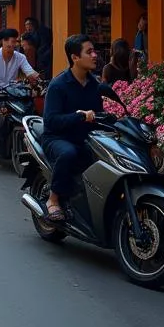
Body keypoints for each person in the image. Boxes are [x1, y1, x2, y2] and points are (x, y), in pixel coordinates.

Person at [42, 34, 104, 221]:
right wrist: (79, 116)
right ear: (75, 57)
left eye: (95, 51)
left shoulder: (95, 84)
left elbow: (99, 114)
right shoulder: (58, 85)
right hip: (57, 139)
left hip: (86, 138)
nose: (95, 55)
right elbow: (51, 121)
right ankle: (53, 200)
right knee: (68, 153)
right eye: (89, 52)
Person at [0, 27, 38, 146]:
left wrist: (39, 80)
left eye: (14, 41)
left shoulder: (20, 57)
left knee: (29, 106)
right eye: (9, 41)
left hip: (12, 91)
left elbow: (30, 72)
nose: (12, 44)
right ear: (2, 41)